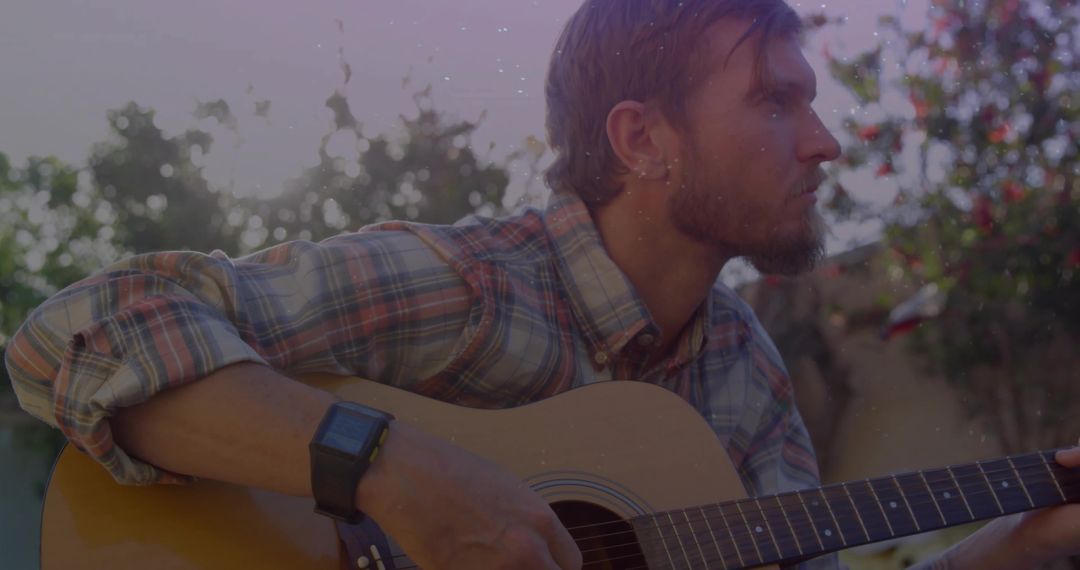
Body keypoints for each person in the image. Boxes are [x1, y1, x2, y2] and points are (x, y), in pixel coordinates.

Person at [5, 0, 1079, 568]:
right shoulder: (469, 286)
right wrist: (391, 473)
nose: (825, 141)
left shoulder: (743, 373)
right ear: (643, 139)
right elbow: (74, 333)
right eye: (775, 102)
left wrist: (1017, 542)